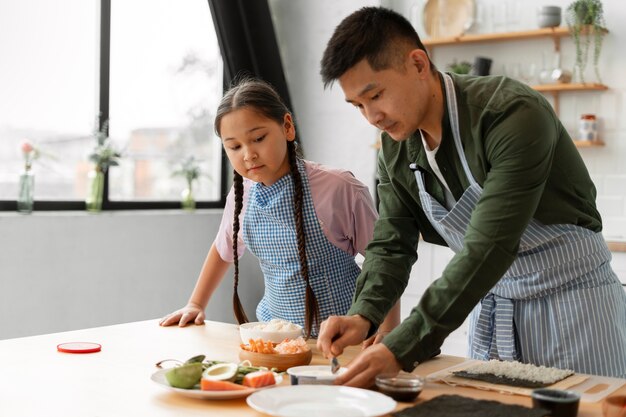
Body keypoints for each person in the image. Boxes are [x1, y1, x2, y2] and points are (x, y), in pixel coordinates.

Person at [316, 6, 626, 387]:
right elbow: (391, 244)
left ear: (417, 64)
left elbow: (489, 246)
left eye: (375, 95)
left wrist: (404, 344)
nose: (372, 116)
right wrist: (363, 314)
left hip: (574, 309)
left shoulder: (512, 114)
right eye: (358, 106)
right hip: (492, 304)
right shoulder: (394, 149)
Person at [160, 78, 399, 339]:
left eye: (258, 138)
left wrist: (388, 330)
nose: (248, 154)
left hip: (346, 339)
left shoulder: (339, 187)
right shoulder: (242, 196)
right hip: (275, 337)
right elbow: (222, 249)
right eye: (234, 146)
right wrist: (195, 304)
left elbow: (384, 262)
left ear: (287, 127)